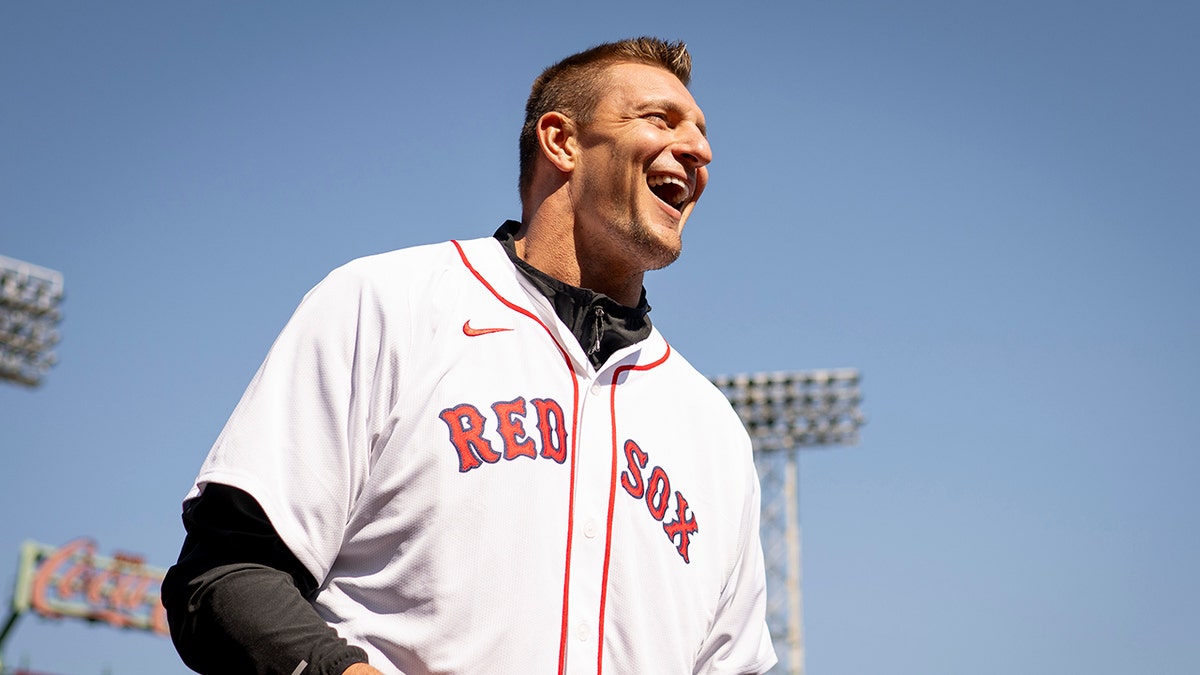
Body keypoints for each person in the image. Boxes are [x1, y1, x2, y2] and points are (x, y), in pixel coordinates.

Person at [162, 37, 777, 675]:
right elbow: (224, 576)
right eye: (659, 119)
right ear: (562, 141)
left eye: (702, 132)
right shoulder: (388, 305)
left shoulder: (713, 431)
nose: (700, 150)